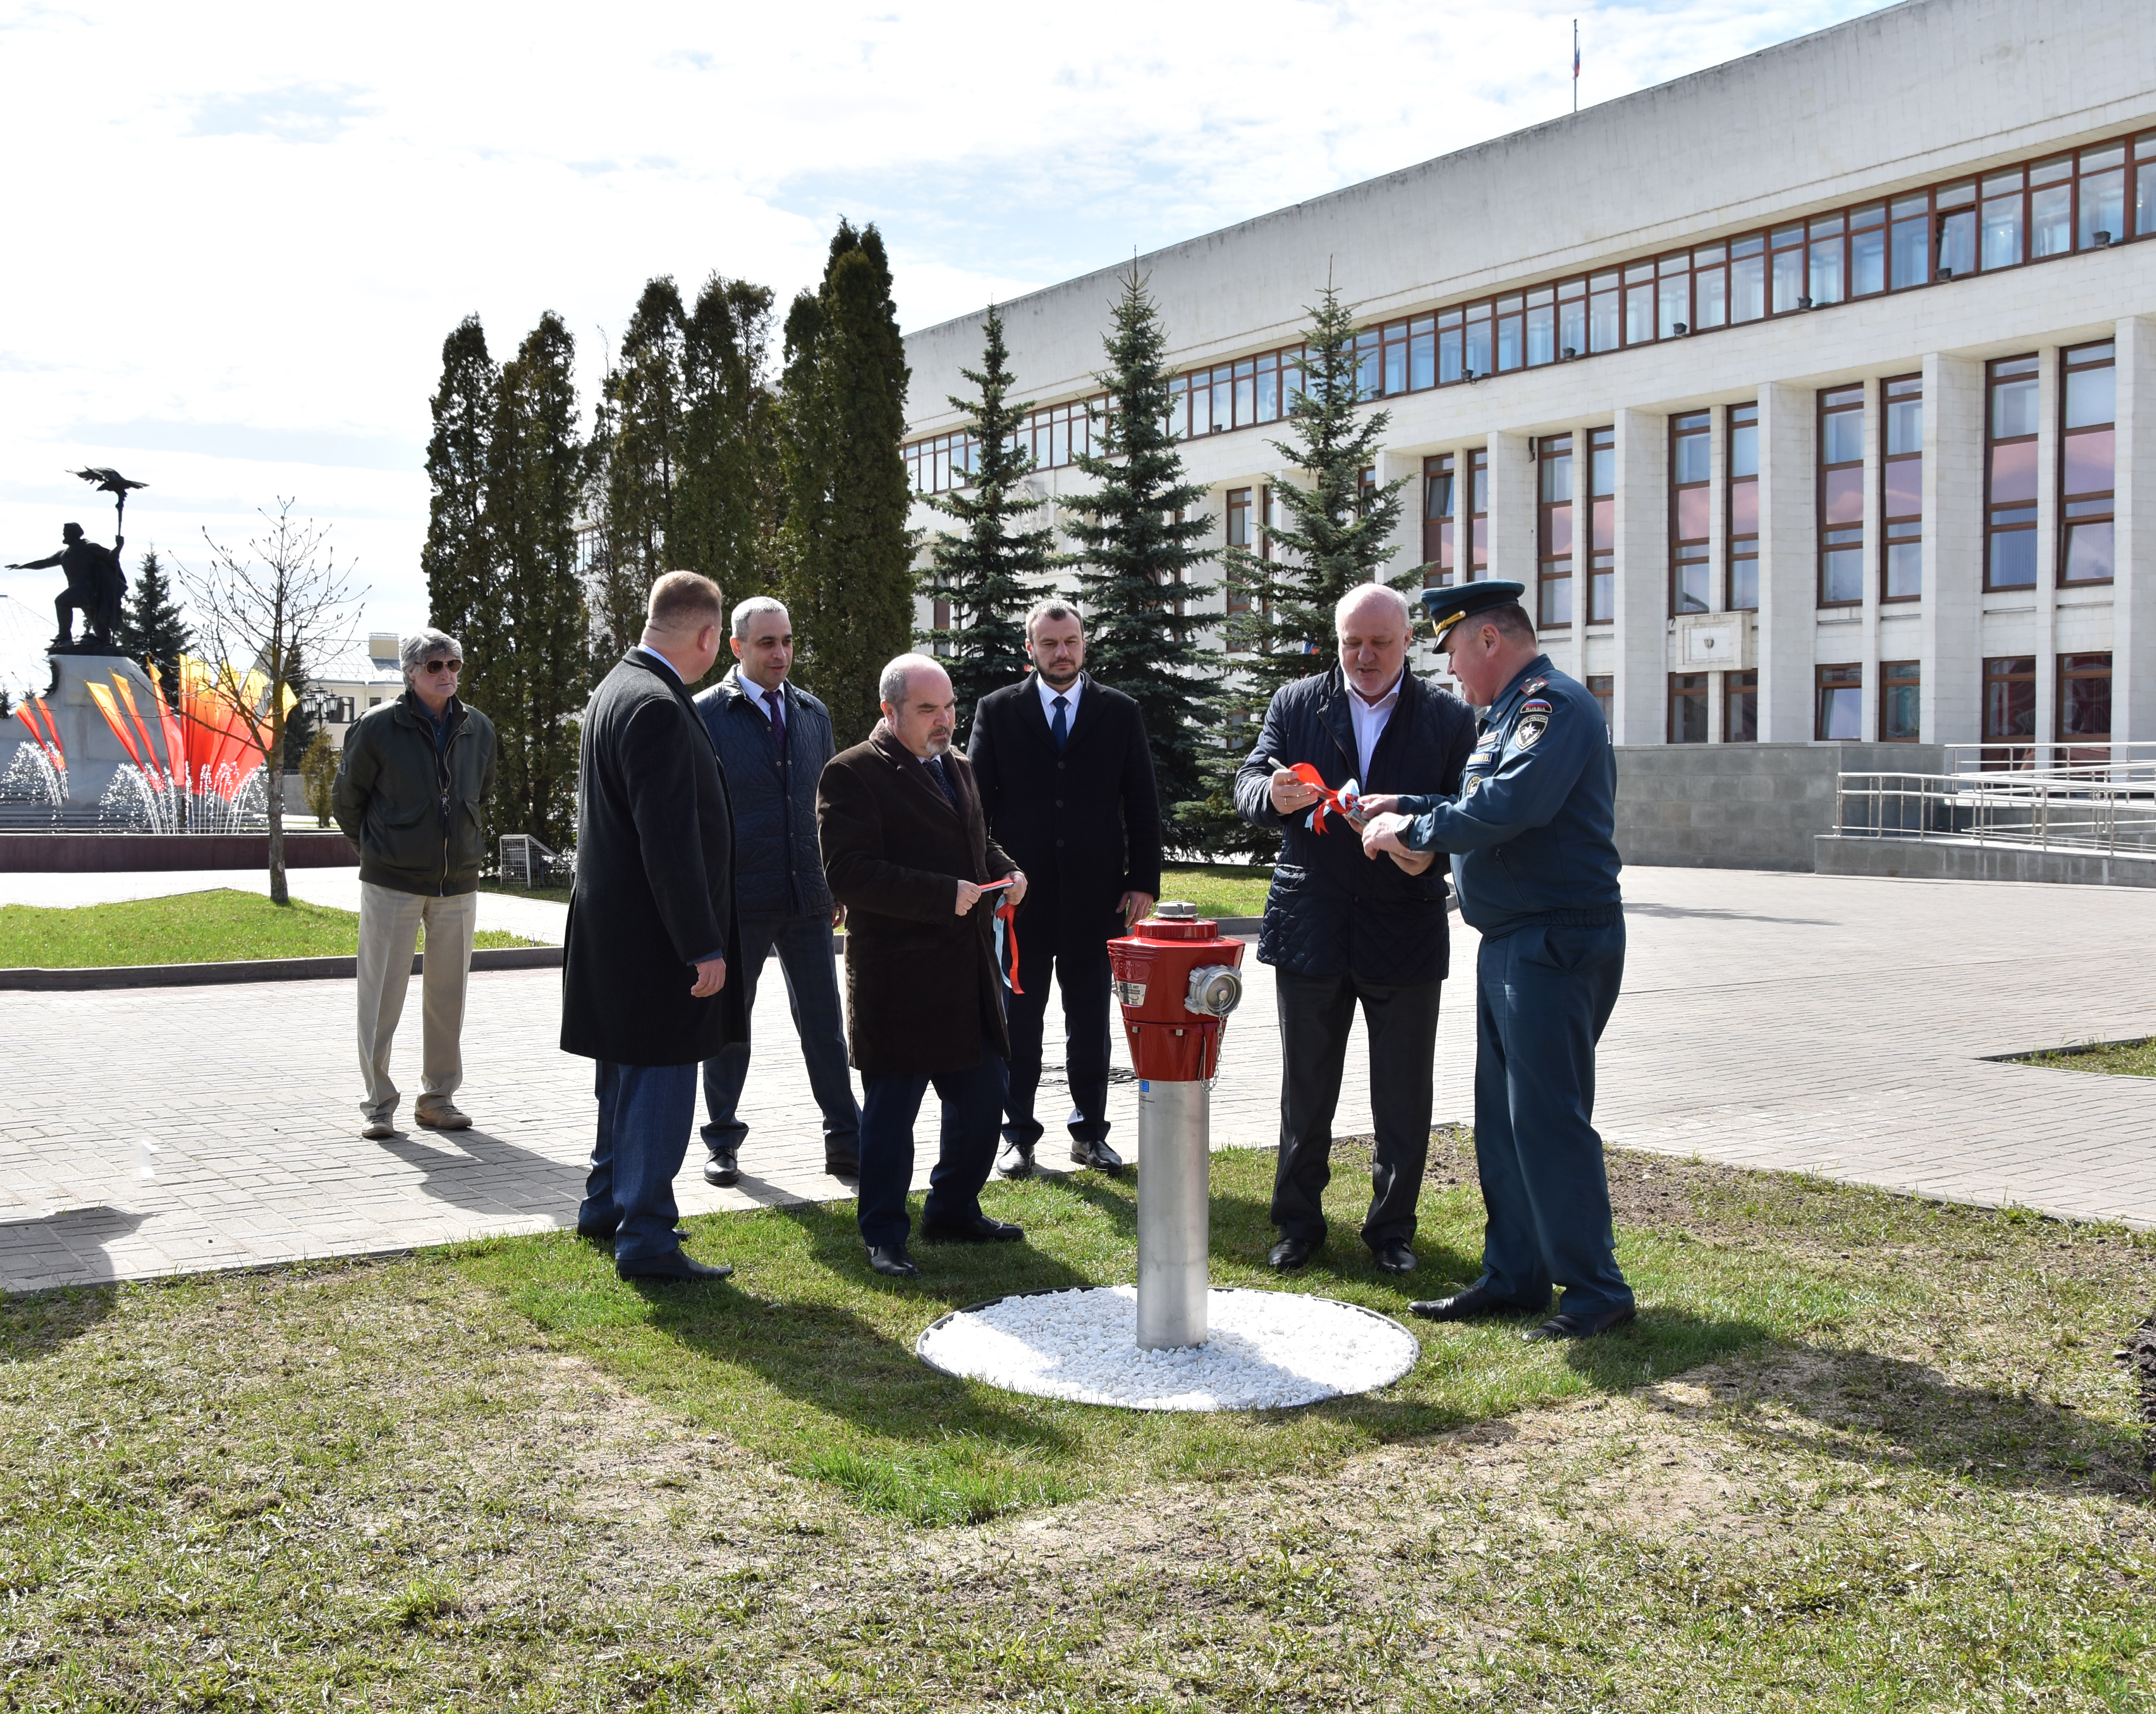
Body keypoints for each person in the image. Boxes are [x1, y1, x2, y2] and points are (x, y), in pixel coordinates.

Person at [1359, 580, 1635, 1341]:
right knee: (1503, 1124)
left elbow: (1511, 806)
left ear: (1488, 639)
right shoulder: (1509, 713)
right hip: (1515, 940)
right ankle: (1514, 1277)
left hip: (1556, 939)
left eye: (1451, 652)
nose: (1450, 672)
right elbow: (1487, 807)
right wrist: (1406, 807)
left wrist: (1415, 830)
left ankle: (1595, 1290)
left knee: (1547, 1120)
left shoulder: (1553, 707)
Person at [1235, 583, 1477, 1276]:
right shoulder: (1296, 701)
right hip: (1310, 925)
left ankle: (1391, 1230)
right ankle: (1296, 1226)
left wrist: (1420, 830)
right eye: (1351, 642)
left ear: (1407, 643)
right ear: (1334, 640)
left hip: (1403, 929)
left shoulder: (1444, 716)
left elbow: (1468, 805)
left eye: (1378, 642)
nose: (1363, 656)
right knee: (1304, 1090)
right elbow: (1250, 780)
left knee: (1402, 1093)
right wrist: (1271, 795)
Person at [817, 653, 1029, 1278]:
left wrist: (1006, 870)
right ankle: (883, 1233)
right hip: (899, 978)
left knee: (983, 1097)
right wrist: (942, 893)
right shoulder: (849, 772)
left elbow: (975, 841)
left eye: (950, 707)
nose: (944, 721)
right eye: (928, 710)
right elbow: (848, 872)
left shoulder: (956, 764)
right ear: (889, 712)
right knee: (891, 1116)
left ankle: (953, 1209)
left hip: (966, 973)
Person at [560, 572, 746, 1284]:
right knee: (661, 1085)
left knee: (625, 1080)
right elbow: (668, 842)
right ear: (706, 635)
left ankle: (607, 1204)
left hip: (616, 936)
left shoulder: (616, 687)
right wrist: (701, 944)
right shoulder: (659, 706)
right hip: (657, 942)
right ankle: (647, 1235)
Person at [968, 599, 1161, 1180]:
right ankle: (1018, 1136)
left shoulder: (1118, 712)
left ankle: (1090, 1133)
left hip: (1094, 898)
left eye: (1070, 641)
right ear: (1029, 649)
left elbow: (1142, 802)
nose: (1060, 652)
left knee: (1089, 1026)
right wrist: (989, 881)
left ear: (1084, 644)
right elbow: (976, 806)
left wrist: (1143, 881)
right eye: (1048, 643)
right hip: (1020, 900)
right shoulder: (997, 711)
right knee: (1018, 1024)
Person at [693, 596, 860, 1186]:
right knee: (728, 1028)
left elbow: (828, 808)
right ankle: (721, 1141)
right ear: (735, 647)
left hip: (808, 898)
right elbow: (693, 815)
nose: (780, 653)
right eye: (767, 643)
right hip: (735, 901)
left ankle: (845, 1138)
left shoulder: (812, 713)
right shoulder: (704, 715)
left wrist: (834, 877)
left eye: (787, 640)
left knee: (823, 1025)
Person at [332, 627, 497, 1141]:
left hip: (458, 883)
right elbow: (347, 802)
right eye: (434, 666)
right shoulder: (377, 727)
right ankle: (379, 1104)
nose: (446, 674)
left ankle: (438, 1099)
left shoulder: (480, 729)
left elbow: (483, 794)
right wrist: (381, 854)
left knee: (448, 996)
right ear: (410, 673)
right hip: (392, 882)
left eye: (452, 665)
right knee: (381, 994)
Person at [8, 522, 128, 652]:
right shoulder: (64, 554)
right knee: (98, 625)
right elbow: (44, 563)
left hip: (88, 588)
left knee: (62, 601)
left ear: (74, 534)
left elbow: (110, 557)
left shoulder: (88, 547)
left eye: (66, 533)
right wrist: (23, 565)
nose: (64, 535)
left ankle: (64, 635)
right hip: (78, 590)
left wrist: (119, 547)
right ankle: (105, 646)